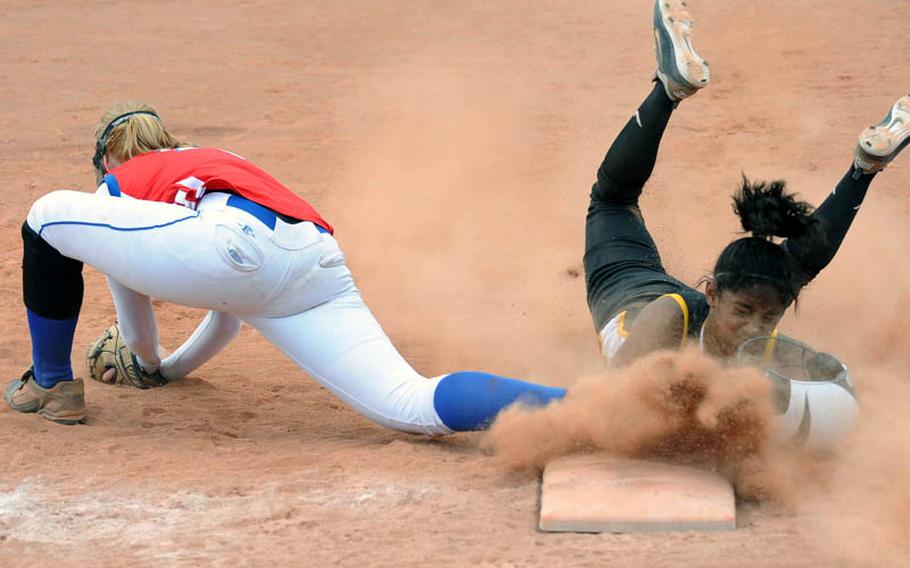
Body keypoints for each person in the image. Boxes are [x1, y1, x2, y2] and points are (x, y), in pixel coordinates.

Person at [4, 105, 565, 429]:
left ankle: (52, 383)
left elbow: (138, 323)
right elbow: (229, 310)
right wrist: (168, 369)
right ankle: (582, 407)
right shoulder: (219, 163)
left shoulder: (121, 184)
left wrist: (152, 365)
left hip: (234, 249)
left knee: (46, 214)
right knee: (408, 403)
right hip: (314, 262)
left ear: (108, 158)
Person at [585, 0, 909, 367]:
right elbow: (624, 402)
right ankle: (668, 91)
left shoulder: (762, 336)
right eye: (743, 312)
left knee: (789, 274)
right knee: (612, 199)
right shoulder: (666, 321)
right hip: (629, 289)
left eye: (766, 318)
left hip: (703, 303)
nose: (752, 328)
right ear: (710, 293)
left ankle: (863, 170)